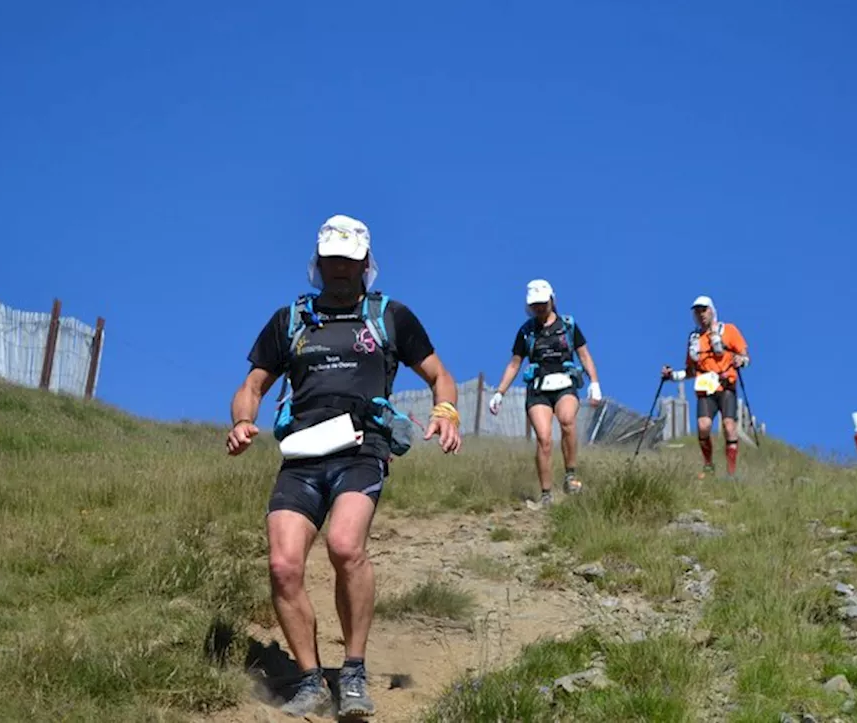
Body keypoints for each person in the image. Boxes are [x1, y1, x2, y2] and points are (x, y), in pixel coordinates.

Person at [225, 214, 462, 719]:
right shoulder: (289, 320)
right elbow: (253, 384)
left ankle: (352, 672)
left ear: (364, 264)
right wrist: (244, 420)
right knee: (283, 566)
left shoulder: (390, 316)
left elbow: (441, 374)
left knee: (345, 546)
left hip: (362, 448)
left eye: (348, 261)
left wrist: (446, 411)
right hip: (303, 455)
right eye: (331, 259)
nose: (339, 269)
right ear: (318, 262)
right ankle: (311, 680)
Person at [488, 279, 602, 507]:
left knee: (567, 420)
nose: (539, 308)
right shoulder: (526, 332)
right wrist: (500, 392)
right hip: (539, 389)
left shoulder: (568, 325)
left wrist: (594, 382)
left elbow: (584, 355)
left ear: (552, 299)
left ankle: (570, 474)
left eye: (542, 302)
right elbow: (514, 364)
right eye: (534, 304)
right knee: (544, 438)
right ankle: (546, 494)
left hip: (565, 383)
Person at [661, 295, 749, 479]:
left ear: (711, 311)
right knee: (703, 426)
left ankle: (731, 472)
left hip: (726, 387)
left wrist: (740, 360)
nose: (701, 315)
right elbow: (691, 371)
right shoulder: (695, 340)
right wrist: (672, 376)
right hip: (705, 389)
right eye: (697, 312)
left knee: (729, 426)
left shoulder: (729, 330)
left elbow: (744, 355)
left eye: (704, 310)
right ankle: (708, 464)